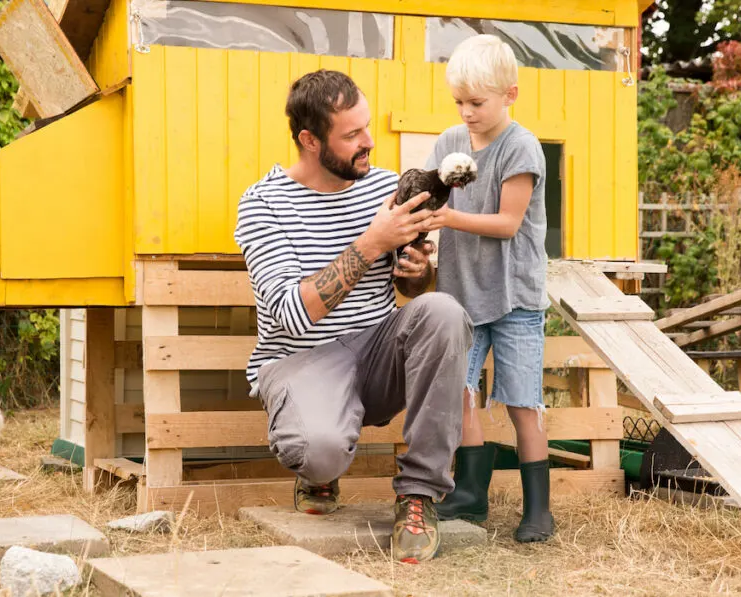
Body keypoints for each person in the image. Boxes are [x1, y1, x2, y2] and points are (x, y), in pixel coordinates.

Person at [233, 69, 474, 563]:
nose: (368, 142)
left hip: (377, 349)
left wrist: (415, 268)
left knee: (443, 312)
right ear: (309, 139)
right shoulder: (264, 205)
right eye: (351, 135)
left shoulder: (386, 188)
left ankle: (419, 495)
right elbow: (289, 318)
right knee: (318, 453)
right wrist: (372, 243)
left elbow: (411, 287)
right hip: (304, 360)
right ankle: (318, 470)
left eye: (367, 127)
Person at [423, 34, 555, 543]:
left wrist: (449, 215)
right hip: (460, 291)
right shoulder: (447, 144)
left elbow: (506, 223)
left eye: (477, 102)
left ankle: (538, 510)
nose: (467, 112)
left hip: (514, 293)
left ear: (510, 95)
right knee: (460, 392)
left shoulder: (521, 147)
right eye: (459, 102)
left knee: (523, 401)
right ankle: (470, 495)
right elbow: (429, 201)